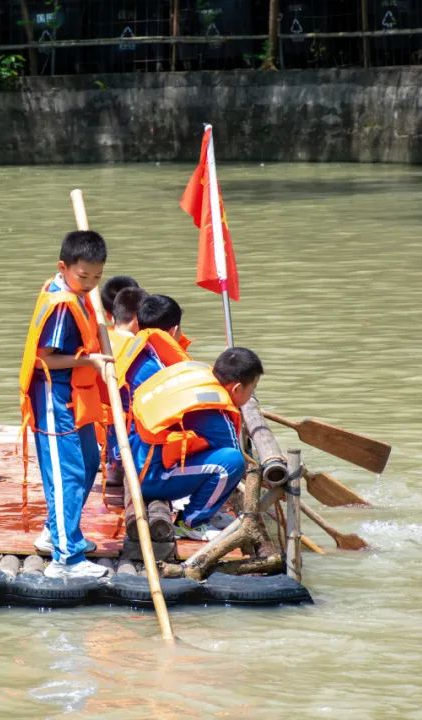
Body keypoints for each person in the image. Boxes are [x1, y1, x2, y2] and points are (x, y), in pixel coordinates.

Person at [120, 297, 262, 539]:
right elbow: (232, 458)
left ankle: (203, 510)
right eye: (252, 389)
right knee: (233, 462)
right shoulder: (218, 410)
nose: (251, 395)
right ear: (236, 388)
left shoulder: (197, 377)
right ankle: (192, 522)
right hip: (152, 479)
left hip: (135, 465)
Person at [18, 230, 112, 579]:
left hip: (76, 397)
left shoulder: (75, 293)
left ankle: (55, 532)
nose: (89, 284)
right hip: (54, 400)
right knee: (67, 473)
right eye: (83, 276)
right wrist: (91, 361)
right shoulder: (61, 305)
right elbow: (46, 359)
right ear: (64, 267)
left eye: (97, 277)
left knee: (88, 463)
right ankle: (66, 559)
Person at [103, 285, 148, 485]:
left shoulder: (101, 340)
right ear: (139, 319)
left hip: (101, 426)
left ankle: (112, 464)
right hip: (125, 435)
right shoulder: (138, 348)